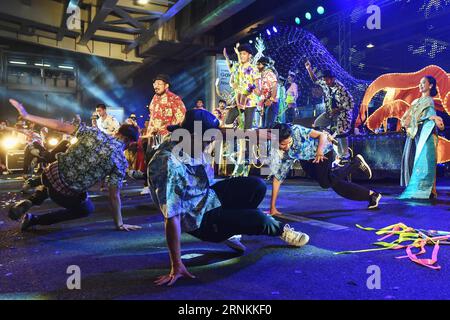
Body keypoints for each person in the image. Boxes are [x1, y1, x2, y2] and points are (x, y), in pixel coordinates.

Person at [148, 109, 310, 286]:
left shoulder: (187, 136)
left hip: (206, 195)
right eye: (208, 139)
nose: (212, 142)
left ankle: (230, 228)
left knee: (256, 186)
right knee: (257, 218)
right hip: (198, 219)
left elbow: (220, 132)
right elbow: (172, 216)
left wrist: (254, 134)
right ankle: (279, 230)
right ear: (193, 135)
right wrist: (176, 265)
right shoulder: (169, 164)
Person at [7, 99, 142, 233]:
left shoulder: (94, 133)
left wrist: (27, 115)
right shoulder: (120, 161)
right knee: (86, 207)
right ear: (130, 143)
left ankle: (31, 201)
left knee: (61, 179)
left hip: (49, 173)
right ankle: (33, 219)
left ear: (118, 132)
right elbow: (114, 196)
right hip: (62, 192)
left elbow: (60, 126)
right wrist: (120, 223)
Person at [268, 123, 382, 216]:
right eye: (283, 144)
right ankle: (371, 195)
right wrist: (272, 208)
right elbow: (277, 179)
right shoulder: (280, 152)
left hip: (323, 151)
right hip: (307, 160)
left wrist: (319, 151)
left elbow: (321, 135)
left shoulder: (296, 131)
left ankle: (355, 163)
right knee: (334, 182)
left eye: (289, 142)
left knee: (326, 183)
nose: (287, 146)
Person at [399, 76, 445, 199]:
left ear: (430, 86)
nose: (420, 85)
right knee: (410, 158)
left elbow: (429, 114)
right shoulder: (415, 102)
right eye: (420, 83)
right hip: (412, 133)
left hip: (422, 133)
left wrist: (434, 118)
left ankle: (424, 188)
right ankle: (412, 187)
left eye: (423, 82)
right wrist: (405, 121)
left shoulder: (429, 100)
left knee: (422, 159)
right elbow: (406, 117)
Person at [141, 74, 186, 195]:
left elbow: (181, 118)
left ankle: (169, 187)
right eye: (154, 84)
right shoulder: (154, 98)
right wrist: (148, 133)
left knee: (166, 162)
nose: (156, 86)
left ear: (166, 85)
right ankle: (150, 185)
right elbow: (152, 117)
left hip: (168, 136)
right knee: (151, 159)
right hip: (154, 136)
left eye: (159, 84)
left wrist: (172, 131)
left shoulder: (174, 99)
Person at [305, 60, 354, 165]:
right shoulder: (325, 83)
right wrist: (309, 69)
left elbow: (350, 103)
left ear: (333, 79)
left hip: (343, 114)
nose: (326, 82)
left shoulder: (341, 88)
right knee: (317, 124)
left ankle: (345, 156)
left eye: (328, 80)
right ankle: (330, 139)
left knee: (341, 131)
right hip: (330, 113)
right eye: (325, 80)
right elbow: (315, 80)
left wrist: (339, 109)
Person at [224, 44, 261, 130]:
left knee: (247, 129)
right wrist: (226, 57)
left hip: (250, 102)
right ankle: (232, 142)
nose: (241, 56)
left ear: (249, 55)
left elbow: (257, 87)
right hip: (239, 102)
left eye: (244, 54)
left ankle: (248, 143)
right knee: (229, 119)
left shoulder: (253, 69)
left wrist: (249, 89)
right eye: (240, 54)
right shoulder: (238, 67)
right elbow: (230, 68)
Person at [257, 57, 279, 129]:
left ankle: (273, 140)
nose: (257, 67)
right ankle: (265, 140)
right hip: (265, 103)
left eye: (258, 65)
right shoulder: (263, 75)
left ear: (262, 64)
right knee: (264, 126)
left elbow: (275, 86)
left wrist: (271, 99)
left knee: (268, 126)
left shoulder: (269, 73)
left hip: (271, 103)